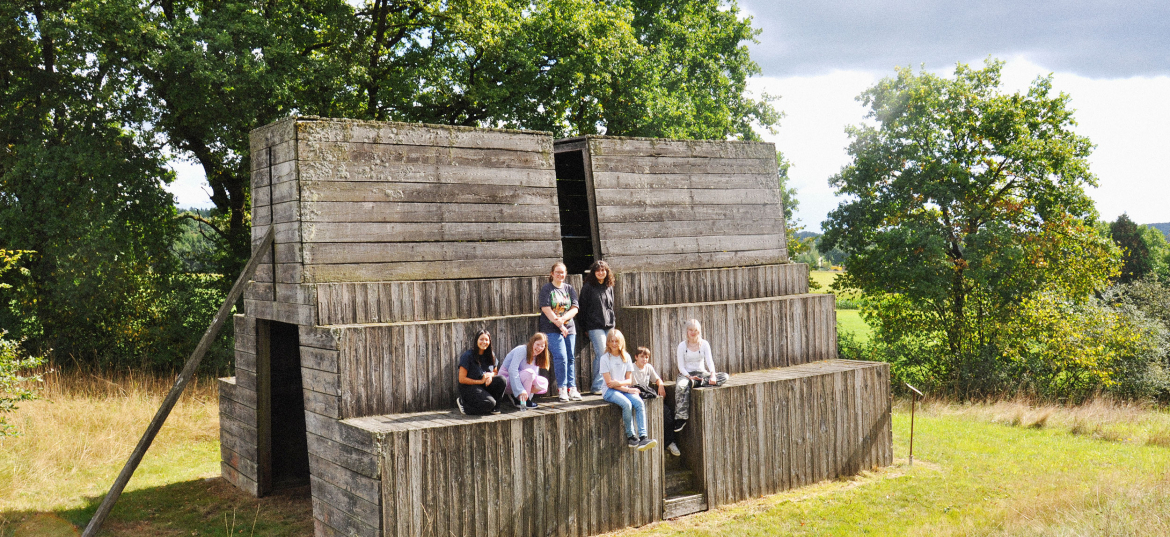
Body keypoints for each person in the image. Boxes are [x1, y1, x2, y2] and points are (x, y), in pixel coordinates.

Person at [599, 329, 658, 451]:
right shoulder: (604, 358)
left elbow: (629, 380)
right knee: (627, 404)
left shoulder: (626, 357)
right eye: (611, 341)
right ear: (608, 342)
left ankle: (643, 437)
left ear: (621, 342)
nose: (614, 344)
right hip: (609, 391)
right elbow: (610, 383)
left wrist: (622, 385)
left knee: (639, 402)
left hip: (624, 388)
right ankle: (631, 436)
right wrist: (627, 390)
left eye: (616, 341)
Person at [673, 319, 728, 432]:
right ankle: (681, 417)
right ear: (687, 331)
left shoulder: (704, 344)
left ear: (699, 331)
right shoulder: (682, 346)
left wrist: (712, 375)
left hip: (702, 373)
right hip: (686, 374)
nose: (693, 333)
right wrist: (689, 377)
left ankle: (698, 382)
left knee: (724, 376)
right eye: (690, 330)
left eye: (695, 330)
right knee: (681, 386)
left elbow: (710, 362)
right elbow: (681, 367)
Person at [539, 262, 581, 402]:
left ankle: (572, 388)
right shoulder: (547, 289)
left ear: (566, 273)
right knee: (561, 357)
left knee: (570, 357)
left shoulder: (569, 288)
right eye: (557, 272)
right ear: (552, 273)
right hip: (551, 328)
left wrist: (563, 320)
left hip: (569, 327)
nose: (560, 275)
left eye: (562, 272)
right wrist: (559, 324)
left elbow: (575, 308)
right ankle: (562, 388)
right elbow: (546, 309)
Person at [631, 346, 680, 456]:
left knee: (667, 413)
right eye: (642, 357)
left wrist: (661, 385)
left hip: (647, 397)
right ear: (636, 357)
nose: (644, 360)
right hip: (635, 397)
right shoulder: (631, 368)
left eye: (646, 357)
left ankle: (669, 443)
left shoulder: (648, 367)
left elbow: (657, 379)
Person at [578, 260, 616, 395]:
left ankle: (607, 384)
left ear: (607, 272)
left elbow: (611, 308)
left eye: (603, 270)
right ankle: (597, 387)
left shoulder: (609, 286)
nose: (601, 272)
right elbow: (582, 309)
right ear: (594, 272)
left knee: (610, 354)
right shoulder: (588, 287)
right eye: (598, 270)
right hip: (594, 326)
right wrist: (584, 328)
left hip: (609, 326)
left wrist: (613, 324)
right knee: (602, 354)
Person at [456, 330, 507, 415]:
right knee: (489, 403)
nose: (484, 342)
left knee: (502, 380)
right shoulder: (467, 356)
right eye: (481, 339)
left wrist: (490, 375)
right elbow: (461, 379)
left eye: (486, 340)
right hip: (469, 387)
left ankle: (495, 408)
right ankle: (464, 404)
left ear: (489, 342)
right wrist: (480, 381)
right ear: (476, 340)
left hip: (483, 386)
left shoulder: (491, 355)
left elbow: (495, 372)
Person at [498, 333, 552, 409]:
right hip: (506, 382)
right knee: (529, 373)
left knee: (543, 382)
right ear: (532, 342)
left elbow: (532, 378)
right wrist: (520, 391)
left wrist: (528, 396)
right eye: (537, 344)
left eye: (542, 346)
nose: (539, 348)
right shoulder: (522, 350)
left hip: (522, 380)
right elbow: (512, 370)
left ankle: (523, 399)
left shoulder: (536, 356)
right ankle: (522, 400)